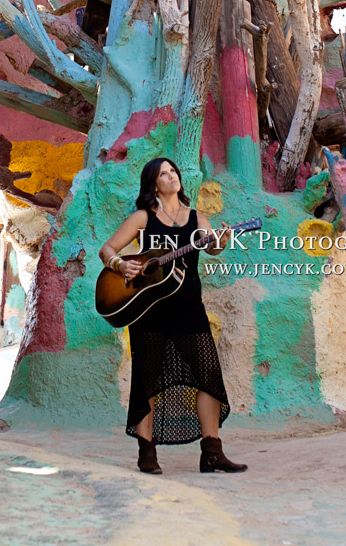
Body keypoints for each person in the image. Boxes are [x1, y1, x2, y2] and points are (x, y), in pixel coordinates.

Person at [99, 156, 248, 476]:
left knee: (208, 376)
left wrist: (220, 242)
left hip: (188, 306)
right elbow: (107, 249)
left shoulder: (198, 218)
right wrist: (121, 265)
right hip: (148, 310)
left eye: (173, 172)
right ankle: (146, 454)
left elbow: (213, 249)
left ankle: (211, 453)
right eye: (164, 174)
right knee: (147, 381)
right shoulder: (142, 218)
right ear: (153, 184)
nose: (172, 177)